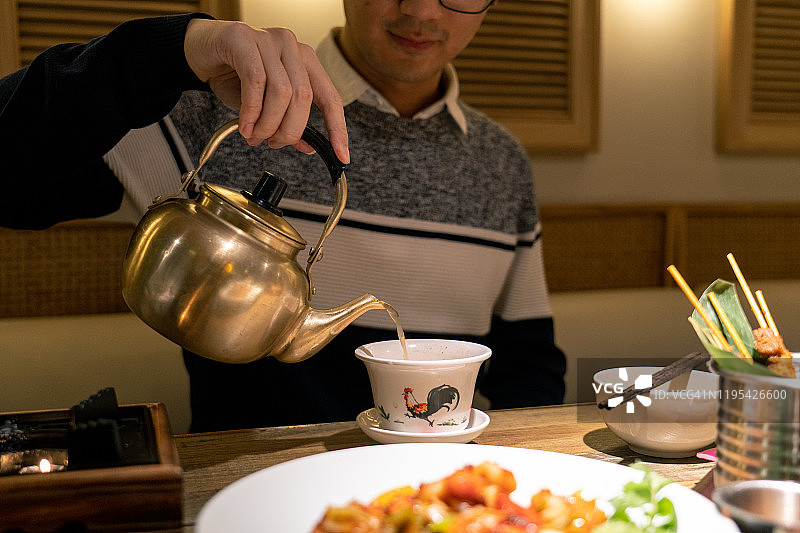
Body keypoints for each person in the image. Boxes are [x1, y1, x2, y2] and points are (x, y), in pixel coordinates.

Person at [0, 0, 566, 432]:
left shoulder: (501, 161)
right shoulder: (219, 111)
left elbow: (529, 365)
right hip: (248, 488)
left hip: (432, 494)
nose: (419, 10)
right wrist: (173, 51)